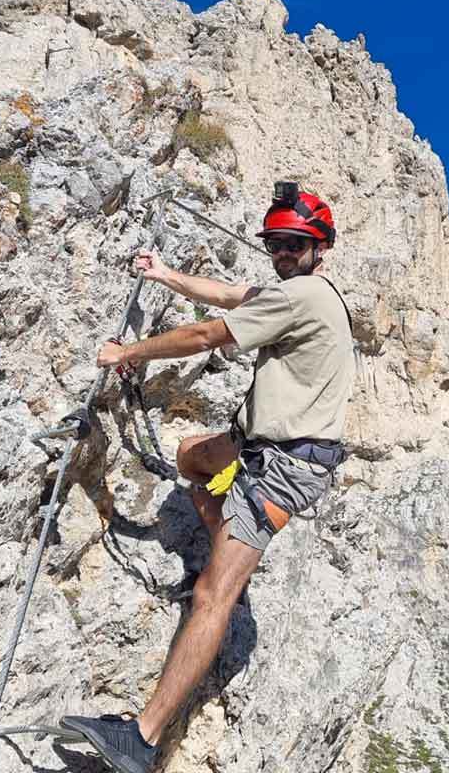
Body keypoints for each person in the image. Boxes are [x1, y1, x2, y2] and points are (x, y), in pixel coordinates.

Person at [60, 184, 355, 773]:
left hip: (284, 469)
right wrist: (164, 274)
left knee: (211, 595)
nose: (281, 252)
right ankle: (222, 540)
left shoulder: (302, 298)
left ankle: (140, 740)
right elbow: (227, 293)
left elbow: (206, 334)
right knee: (193, 457)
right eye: (274, 242)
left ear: (319, 247)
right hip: (254, 446)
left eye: (294, 244)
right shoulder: (295, 293)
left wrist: (129, 353)